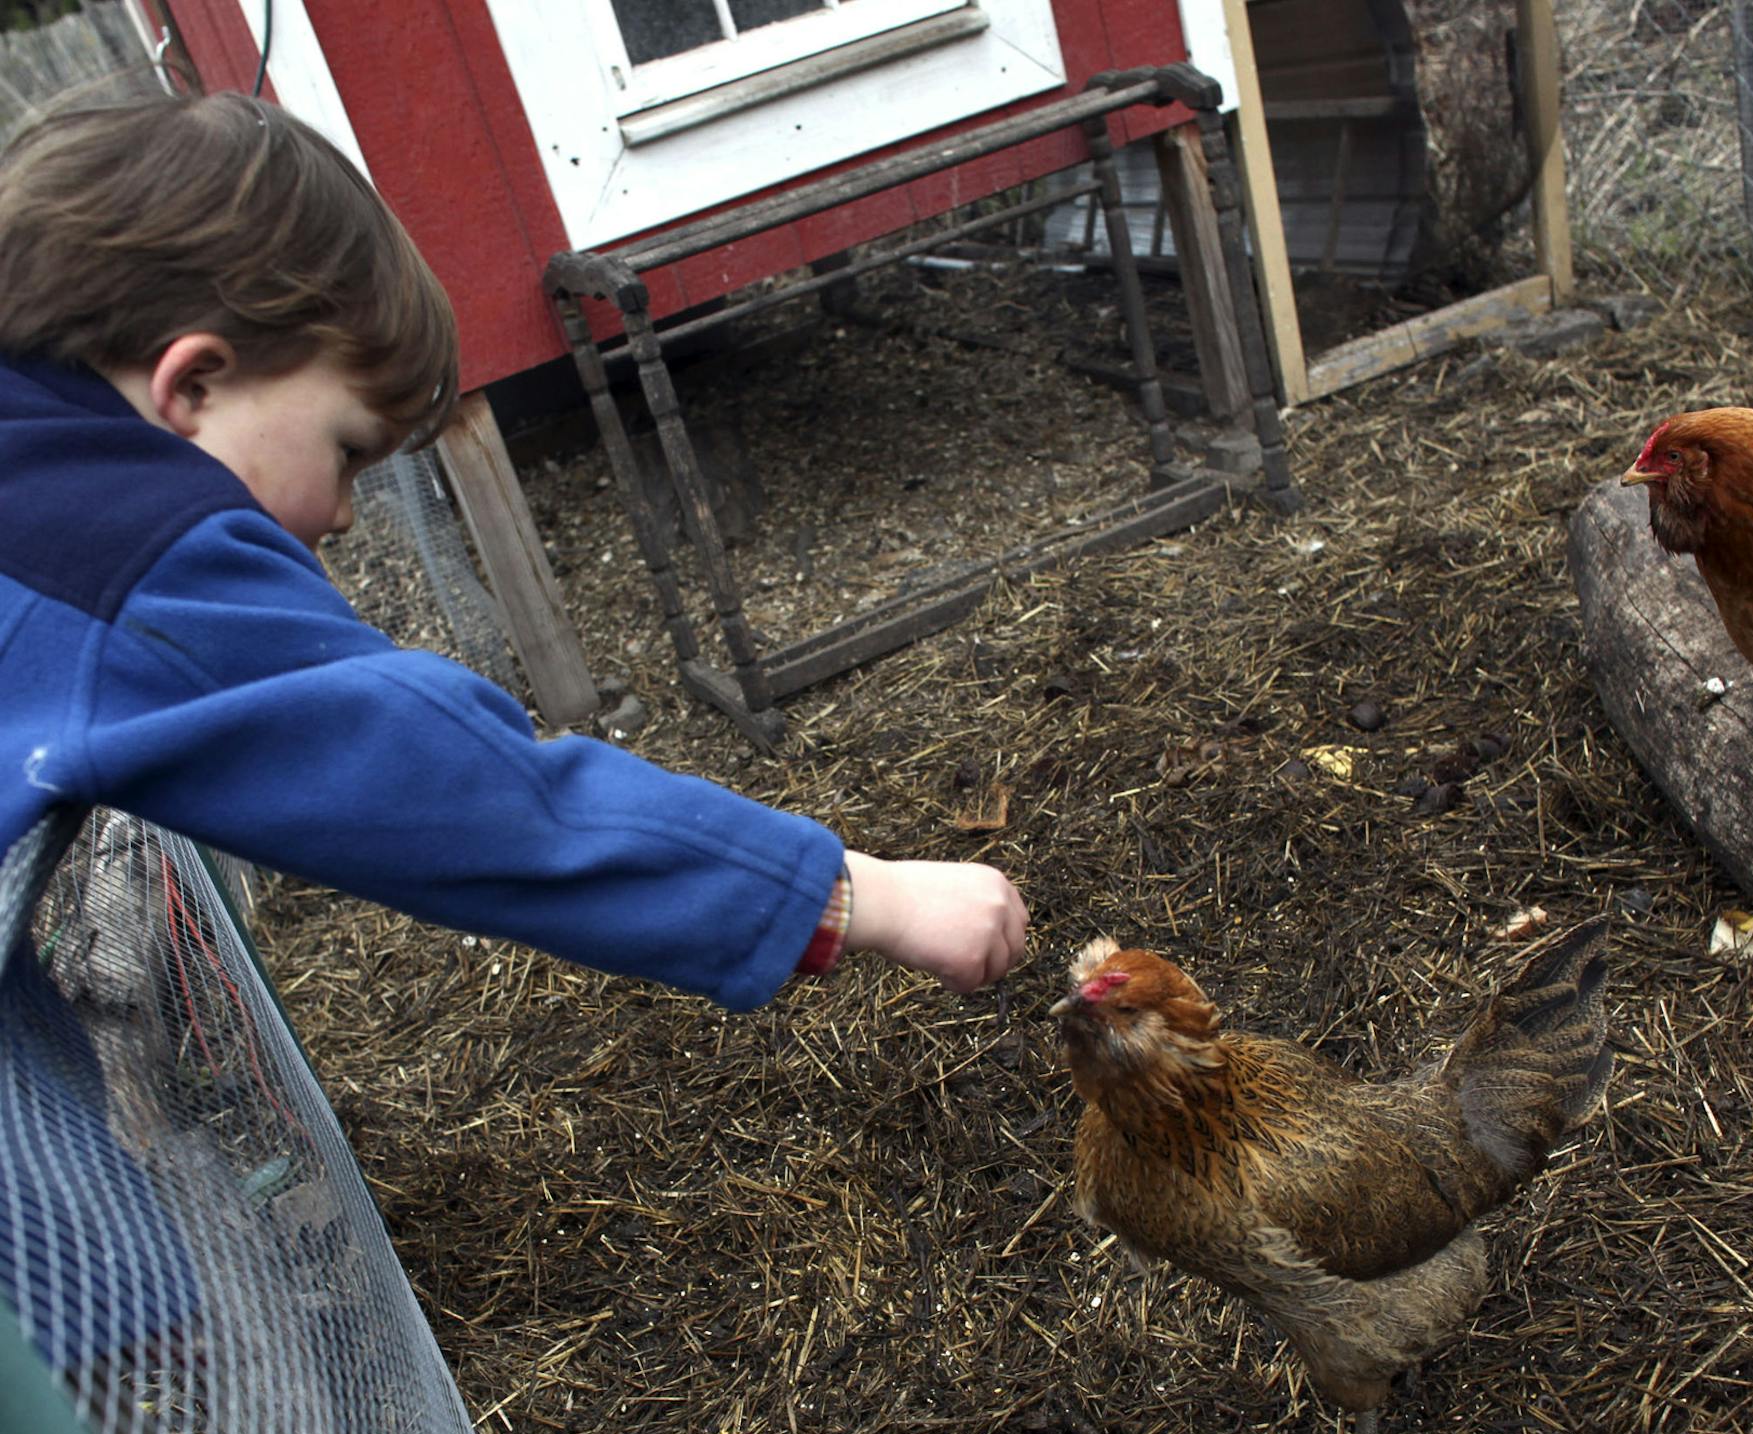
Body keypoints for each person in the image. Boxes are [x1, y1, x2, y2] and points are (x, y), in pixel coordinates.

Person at [0, 88, 1029, 1006]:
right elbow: (459, 788)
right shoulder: (126, 556)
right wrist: (863, 894)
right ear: (195, 386)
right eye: (349, 452)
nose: (347, 515)